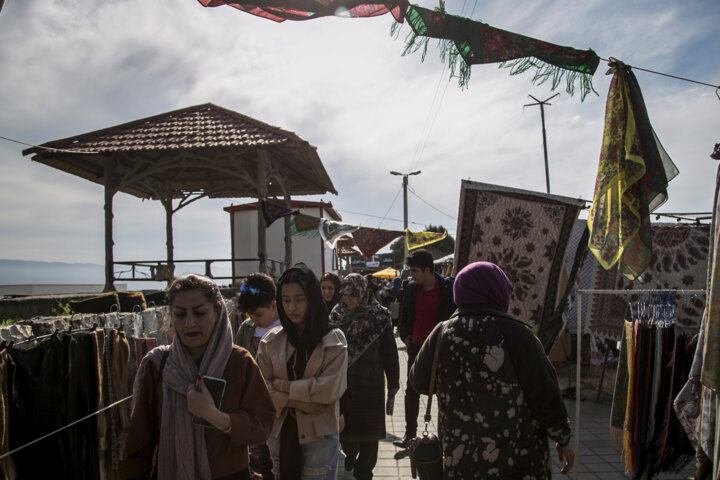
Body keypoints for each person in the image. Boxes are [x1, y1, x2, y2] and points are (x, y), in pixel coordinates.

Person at [409, 262, 575, 479]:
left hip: (461, 462)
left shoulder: (442, 334)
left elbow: (418, 382)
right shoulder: (519, 335)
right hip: (517, 462)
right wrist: (562, 439)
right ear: (496, 291)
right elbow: (545, 395)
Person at [120, 274, 276, 480]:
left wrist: (217, 418)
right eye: (180, 314)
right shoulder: (158, 365)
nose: (189, 323)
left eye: (200, 313)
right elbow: (139, 443)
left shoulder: (239, 362)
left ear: (218, 311)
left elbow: (262, 427)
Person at [255, 263, 348, 480]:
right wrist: (303, 402)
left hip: (319, 439)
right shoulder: (271, 341)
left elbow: (328, 391)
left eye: (299, 299)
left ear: (312, 298)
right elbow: (262, 392)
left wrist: (283, 387)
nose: (292, 307)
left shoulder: (333, 340)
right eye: (286, 300)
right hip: (280, 436)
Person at [329, 274, 400, 480]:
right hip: (345, 385)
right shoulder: (336, 315)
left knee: (370, 435)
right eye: (345, 295)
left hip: (371, 384)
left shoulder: (380, 317)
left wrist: (394, 382)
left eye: (353, 295)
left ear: (362, 293)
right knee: (347, 434)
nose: (349, 300)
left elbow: (390, 351)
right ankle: (350, 456)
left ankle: (364, 472)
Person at [395, 249, 456, 448]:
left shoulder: (449, 287)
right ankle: (409, 433)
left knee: (443, 391)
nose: (411, 275)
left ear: (427, 270)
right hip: (417, 348)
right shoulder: (411, 288)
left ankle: (445, 436)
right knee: (411, 390)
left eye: (414, 271)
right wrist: (405, 335)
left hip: (442, 350)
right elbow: (404, 313)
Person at [234, 273, 283, 480]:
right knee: (258, 456)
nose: (254, 318)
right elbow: (236, 358)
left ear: (273, 305)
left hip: (280, 403)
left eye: (258, 314)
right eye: (250, 314)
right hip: (252, 403)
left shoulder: (287, 327)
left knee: (278, 458)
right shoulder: (246, 328)